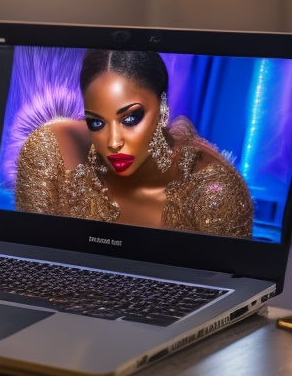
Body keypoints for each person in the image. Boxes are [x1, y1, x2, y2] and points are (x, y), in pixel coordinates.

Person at [14, 48, 254, 237]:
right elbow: (36, 256)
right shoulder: (50, 151)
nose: (114, 142)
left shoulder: (215, 193)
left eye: (130, 118)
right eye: (97, 123)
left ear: (162, 108)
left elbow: (223, 285)